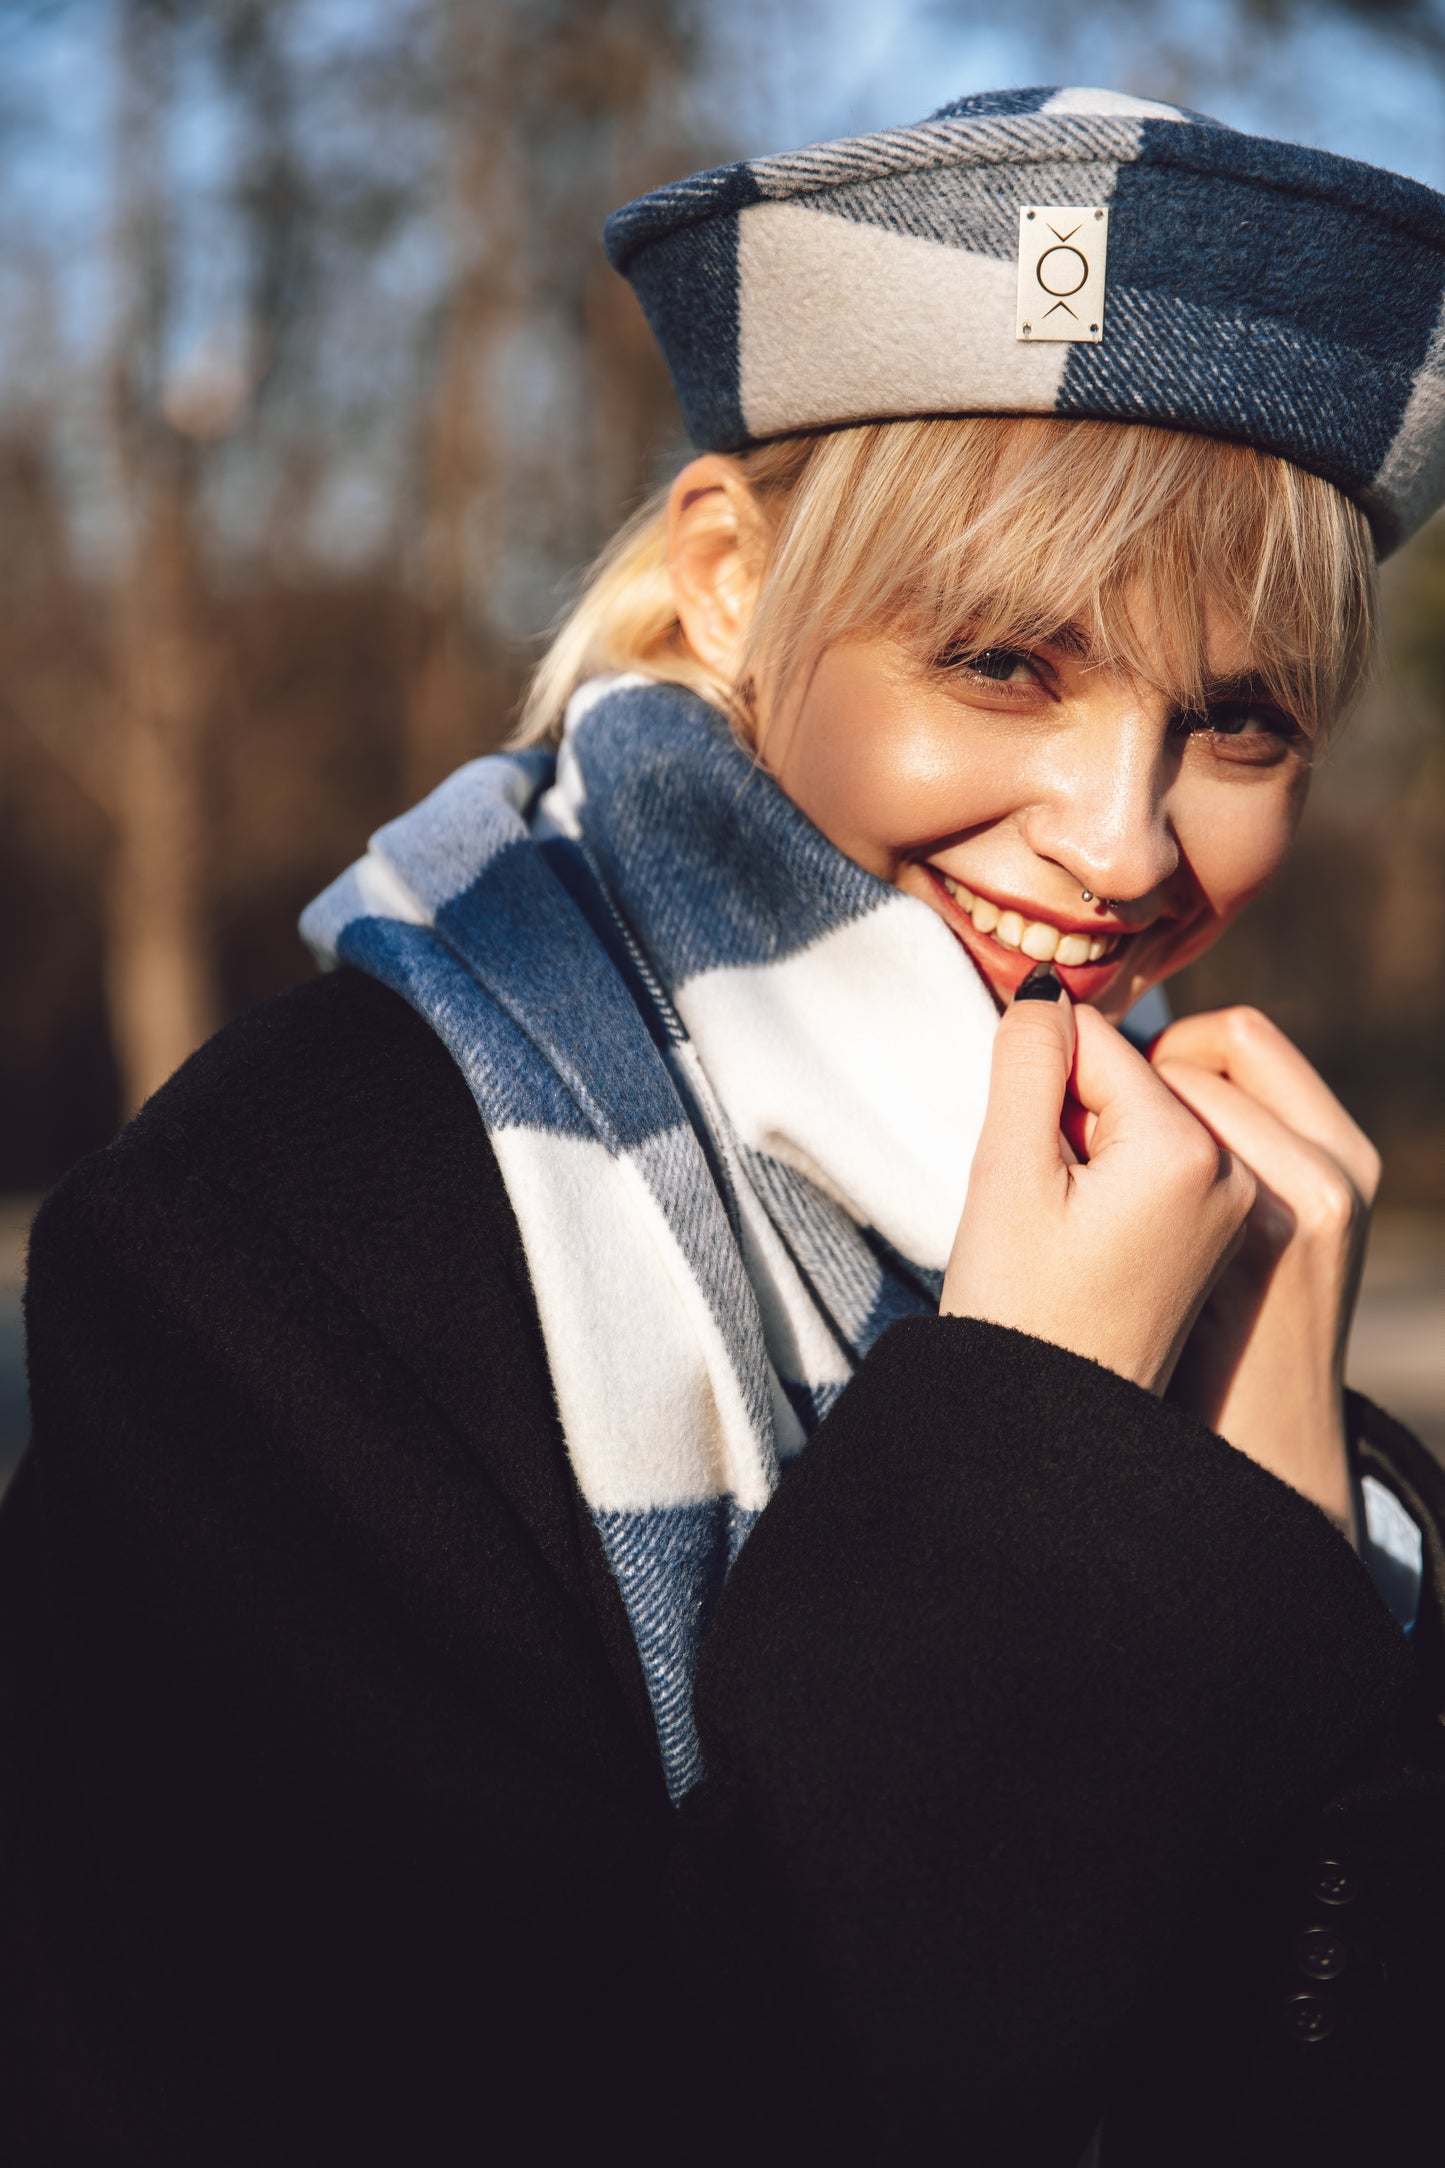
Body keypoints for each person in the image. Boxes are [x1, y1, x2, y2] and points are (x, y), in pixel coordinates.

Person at [4, 83, 1445, 2168]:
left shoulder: (1208, 1220)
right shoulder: (275, 1238)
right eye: (1007, 662)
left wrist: (1300, 1544)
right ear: (726, 582)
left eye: (1239, 723)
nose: (1124, 841)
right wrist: (1053, 1454)